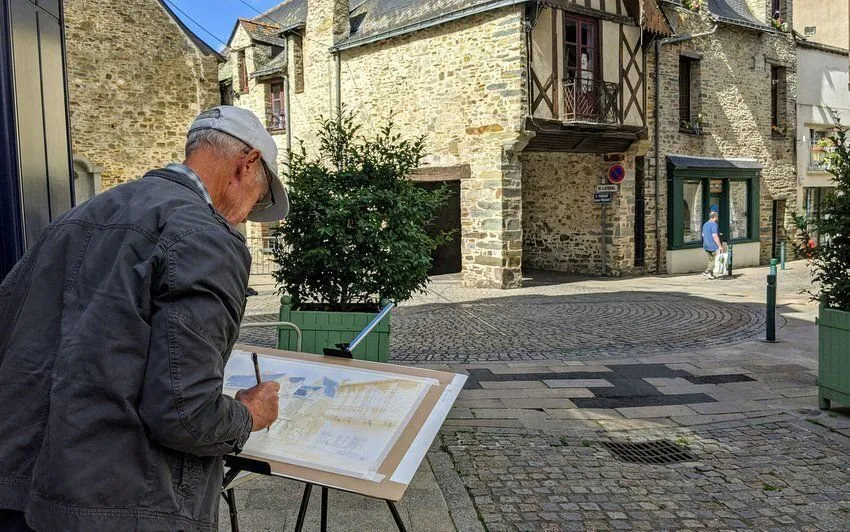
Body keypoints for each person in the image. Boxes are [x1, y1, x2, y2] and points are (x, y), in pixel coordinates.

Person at [0, 106, 289, 531]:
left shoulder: (75, 218)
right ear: (246, 164)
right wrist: (249, 414)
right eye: (259, 199)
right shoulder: (205, 236)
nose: (247, 215)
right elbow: (186, 414)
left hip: (21, 492)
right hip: (119, 506)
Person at [702, 211, 725, 279]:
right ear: (715, 217)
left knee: (710, 259)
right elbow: (715, 236)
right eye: (717, 217)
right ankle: (707, 271)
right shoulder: (714, 225)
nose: (717, 218)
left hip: (706, 245)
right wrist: (720, 246)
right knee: (715, 260)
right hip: (713, 245)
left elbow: (703, 235)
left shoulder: (705, 224)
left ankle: (710, 274)